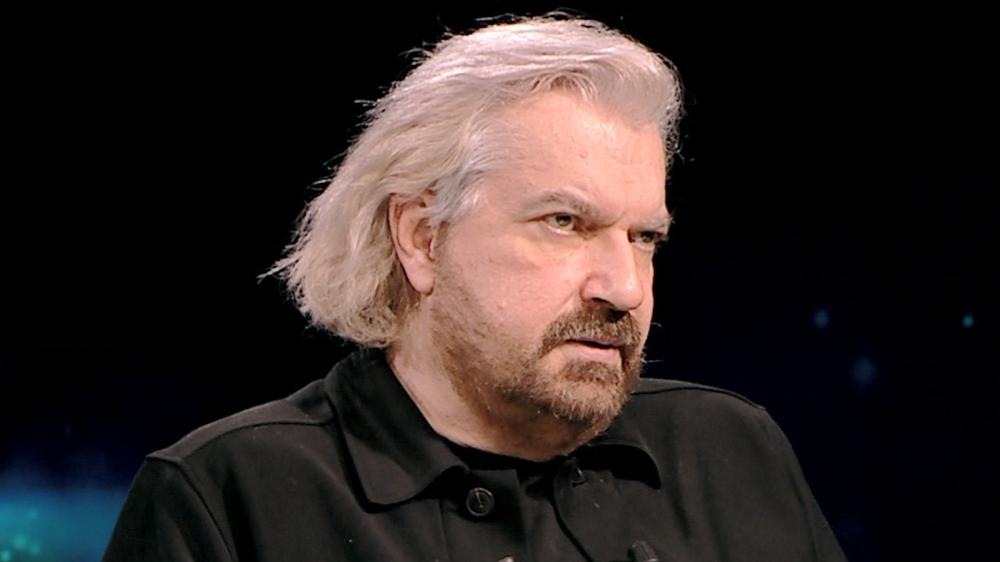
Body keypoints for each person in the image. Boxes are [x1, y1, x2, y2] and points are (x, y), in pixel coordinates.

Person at [104, 16, 847, 562]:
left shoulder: (730, 451)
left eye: (644, 237)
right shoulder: (228, 497)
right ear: (422, 237)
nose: (624, 287)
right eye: (564, 222)